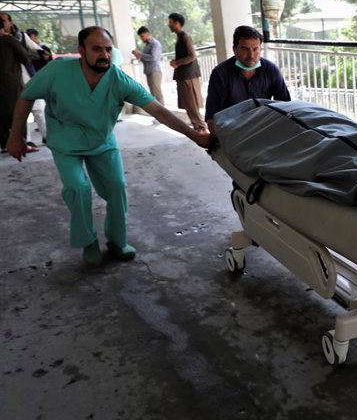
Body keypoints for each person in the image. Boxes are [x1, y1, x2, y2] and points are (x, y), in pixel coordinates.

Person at [6, 26, 211, 267]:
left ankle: (117, 240)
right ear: (81, 51)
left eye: (107, 49)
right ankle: (88, 240)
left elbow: (157, 109)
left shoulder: (118, 79)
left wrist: (192, 134)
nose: (104, 54)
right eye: (96, 49)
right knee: (77, 188)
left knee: (116, 187)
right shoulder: (57, 71)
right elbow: (26, 96)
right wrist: (16, 136)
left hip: (101, 141)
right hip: (66, 141)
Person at [205, 25, 290, 138]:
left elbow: (287, 108)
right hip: (232, 132)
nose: (251, 55)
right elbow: (211, 119)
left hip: (264, 129)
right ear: (235, 49)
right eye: (244, 49)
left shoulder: (271, 70)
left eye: (255, 49)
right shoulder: (220, 74)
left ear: (260, 49)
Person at [0, 17, 36, 154]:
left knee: (1, 114)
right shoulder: (9, 40)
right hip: (10, 82)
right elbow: (25, 57)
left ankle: (4, 144)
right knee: (18, 111)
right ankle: (22, 142)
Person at [168, 12, 206, 132]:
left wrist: (177, 63)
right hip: (183, 75)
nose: (169, 25)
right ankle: (197, 128)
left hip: (188, 76)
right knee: (188, 104)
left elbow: (192, 56)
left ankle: (202, 129)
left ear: (177, 23)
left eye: (170, 22)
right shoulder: (180, 37)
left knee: (192, 104)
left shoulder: (185, 37)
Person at [25, 28, 51, 144]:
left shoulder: (43, 49)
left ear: (35, 37)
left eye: (32, 36)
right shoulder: (25, 51)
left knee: (42, 107)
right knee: (37, 108)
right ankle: (29, 138)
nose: (31, 39)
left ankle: (46, 133)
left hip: (43, 79)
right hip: (32, 80)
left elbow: (49, 62)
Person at [132, 26, 164, 105]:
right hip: (149, 71)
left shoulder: (155, 44)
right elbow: (145, 58)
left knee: (157, 94)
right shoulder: (147, 46)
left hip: (154, 71)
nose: (141, 39)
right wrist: (138, 56)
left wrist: (140, 54)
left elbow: (153, 57)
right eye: (140, 37)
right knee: (153, 94)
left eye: (142, 36)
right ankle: (158, 114)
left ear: (147, 34)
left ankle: (163, 114)